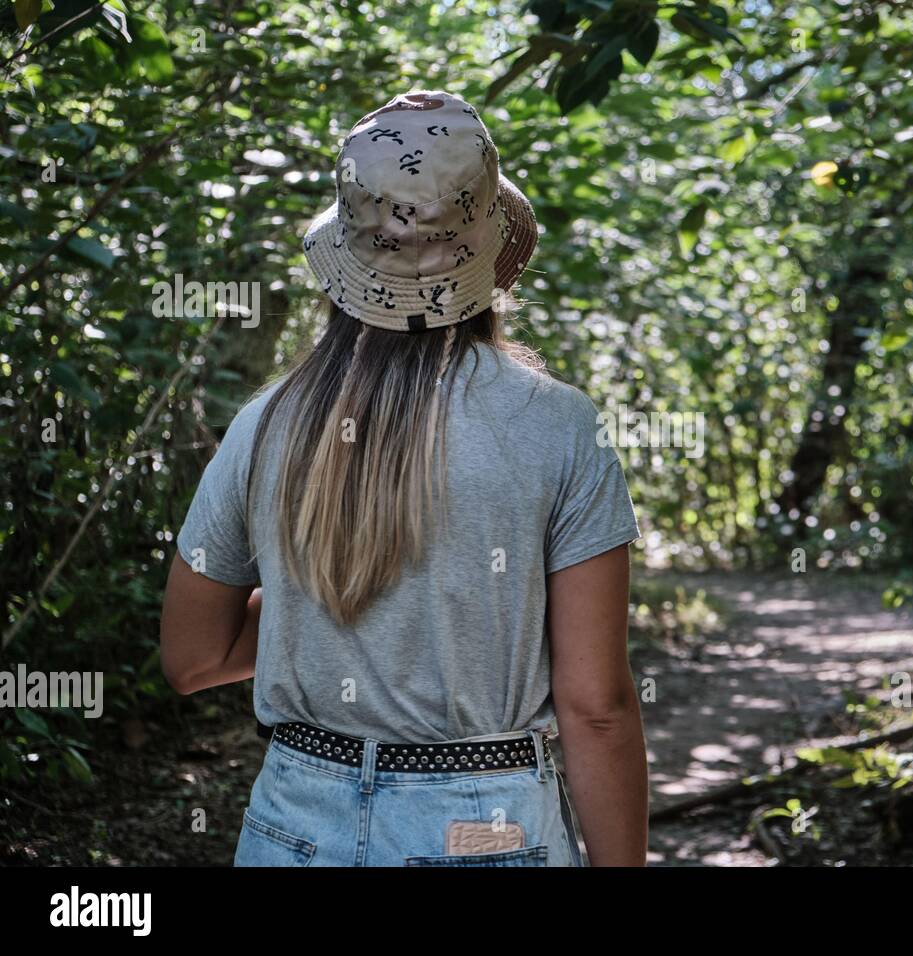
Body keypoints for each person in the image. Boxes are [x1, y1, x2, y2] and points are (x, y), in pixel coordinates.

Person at [159, 90, 648, 867]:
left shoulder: (266, 424)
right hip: (484, 829)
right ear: (489, 249)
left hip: (296, 823)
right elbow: (595, 710)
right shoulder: (556, 427)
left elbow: (191, 658)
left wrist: (317, 603)